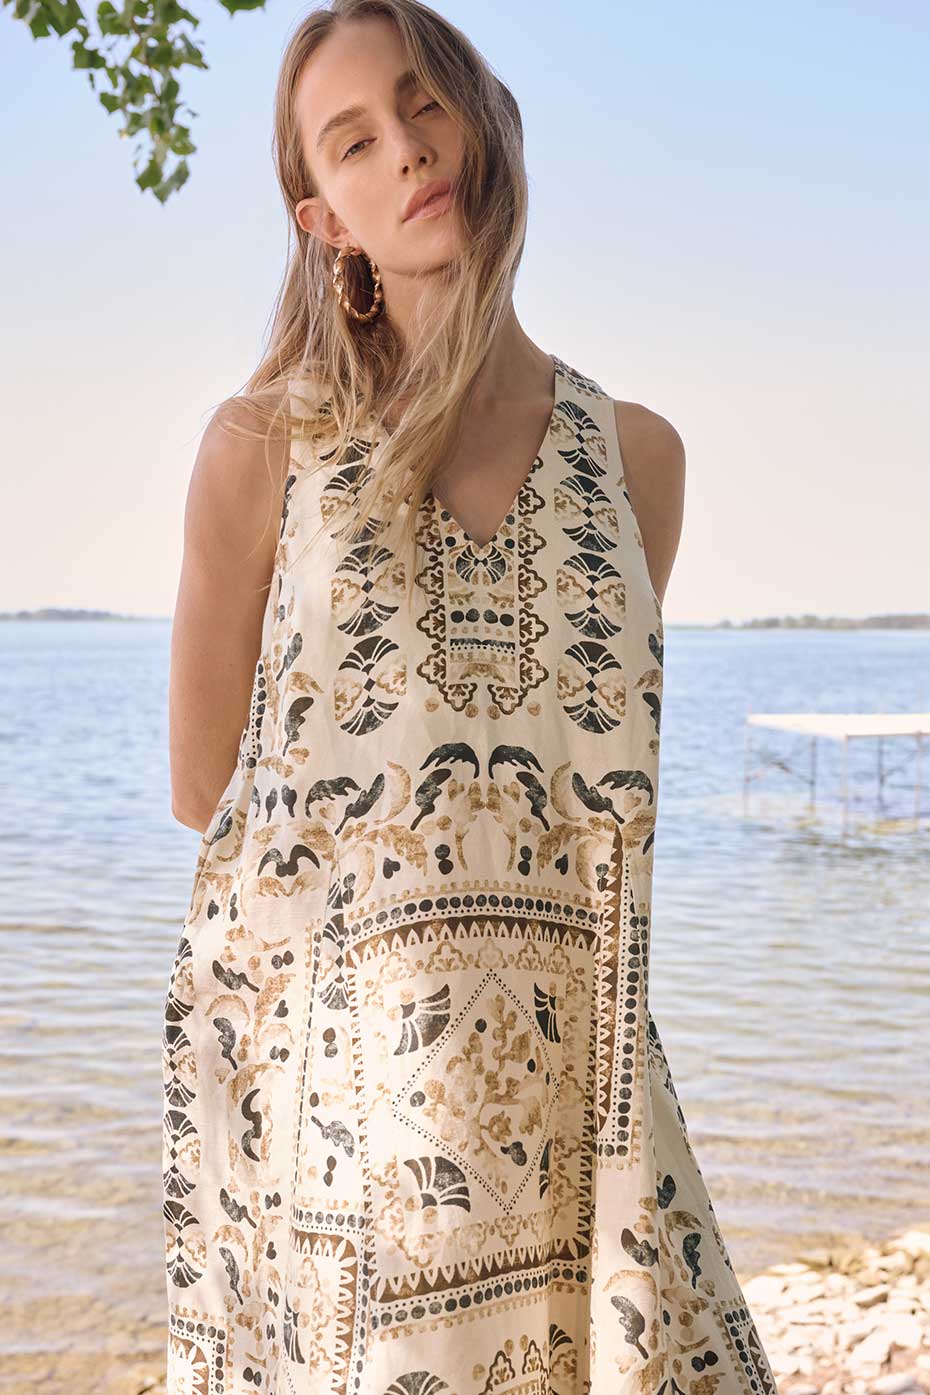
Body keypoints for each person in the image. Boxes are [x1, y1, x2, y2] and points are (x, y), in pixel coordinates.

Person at [163, 2, 776, 1391]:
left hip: (583, 1112)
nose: (406, 148)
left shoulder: (637, 458)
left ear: (484, 117)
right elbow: (206, 793)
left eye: (423, 101)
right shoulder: (262, 446)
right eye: (353, 141)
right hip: (340, 1134)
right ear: (324, 221)